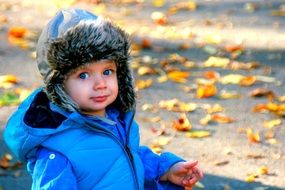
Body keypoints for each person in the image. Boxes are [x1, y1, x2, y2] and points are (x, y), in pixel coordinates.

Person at [4, 8, 203, 190]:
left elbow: (126, 158)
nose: (100, 84)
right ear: (59, 84)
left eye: (107, 71)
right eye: (83, 75)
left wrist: (166, 169)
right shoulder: (56, 151)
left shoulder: (115, 118)